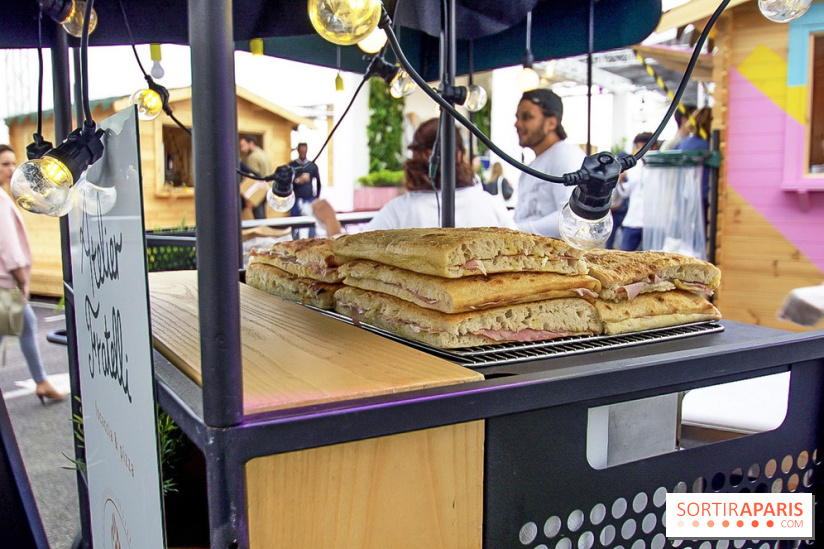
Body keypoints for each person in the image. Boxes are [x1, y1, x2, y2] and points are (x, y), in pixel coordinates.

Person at [317, 118, 515, 233]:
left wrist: (330, 220)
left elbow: (346, 258)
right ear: (460, 155)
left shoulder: (400, 210)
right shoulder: (491, 205)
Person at [0, 145, 67, 404]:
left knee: (26, 325)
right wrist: (22, 281)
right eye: (4, 164)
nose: (10, 169)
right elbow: (9, 247)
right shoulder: (2, 201)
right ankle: (41, 382)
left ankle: (41, 382)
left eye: (12, 163)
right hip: (7, 283)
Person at [512, 88, 585, 238]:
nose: (517, 124)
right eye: (517, 117)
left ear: (551, 122)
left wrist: (516, 231)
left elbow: (573, 218)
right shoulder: (532, 166)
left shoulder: (566, 154)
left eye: (527, 117)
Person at [616, 133, 654, 251]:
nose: (641, 151)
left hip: (652, 224)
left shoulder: (660, 169)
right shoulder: (634, 168)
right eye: (638, 147)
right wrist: (620, 182)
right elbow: (625, 193)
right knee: (624, 260)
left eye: (644, 147)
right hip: (633, 220)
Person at [239, 135, 271, 219]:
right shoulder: (264, 154)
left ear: (251, 143)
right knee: (262, 216)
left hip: (257, 191)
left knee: (258, 218)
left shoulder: (252, 157)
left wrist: (248, 198)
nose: (242, 149)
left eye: (243, 146)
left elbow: (252, 178)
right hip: (267, 189)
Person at [289, 142, 322, 217]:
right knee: (294, 221)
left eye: (304, 151)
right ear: (298, 151)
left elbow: (318, 183)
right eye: (301, 151)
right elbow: (287, 183)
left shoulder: (312, 166)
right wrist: (297, 181)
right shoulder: (292, 166)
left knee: (311, 221)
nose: (303, 153)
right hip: (296, 198)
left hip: (309, 198)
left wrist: (316, 197)